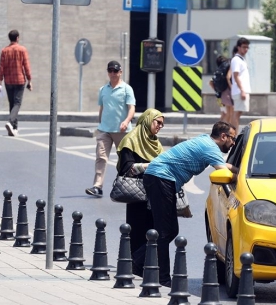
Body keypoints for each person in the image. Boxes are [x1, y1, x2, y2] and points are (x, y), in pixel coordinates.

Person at [142, 121, 239, 287]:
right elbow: (223, 171)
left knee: (169, 230)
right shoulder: (209, 147)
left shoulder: (206, 143)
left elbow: (227, 166)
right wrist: (240, 178)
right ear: (223, 136)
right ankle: (162, 278)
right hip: (161, 178)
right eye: (232, 138)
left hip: (160, 178)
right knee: (165, 231)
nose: (234, 143)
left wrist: (241, 169)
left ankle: (137, 263)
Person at [115, 109, 164, 276]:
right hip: (136, 194)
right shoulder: (130, 140)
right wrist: (148, 166)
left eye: (162, 124)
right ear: (148, 120)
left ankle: (145, 265)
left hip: (154, 194)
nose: (160, 126)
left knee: (153, 230)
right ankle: (133, 265)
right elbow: (126, 168)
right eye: (158, 122)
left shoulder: (155, 143)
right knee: (136, 230)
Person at [85, 61, 136, 197]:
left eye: (115, 71)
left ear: (120, 72)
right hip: (105, 130)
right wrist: (100, 122)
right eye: (110, 71)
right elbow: (102, 107)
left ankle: (126, 186)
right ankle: (97, 187)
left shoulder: (126, 89)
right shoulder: (103, 89)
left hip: (122, 131)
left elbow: (132, 108)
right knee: (101, 157)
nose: (113, 73)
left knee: (125, 159)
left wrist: (126, 121)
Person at [0, 30, 32, 137]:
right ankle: (11, 122)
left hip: (8, 81)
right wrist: (30, 80)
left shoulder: (4, 51)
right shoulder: (22, 50)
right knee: (17, 103)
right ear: (17, 38)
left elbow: (1, 67)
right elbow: (26, 66)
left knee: (12, 104)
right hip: (20, 80)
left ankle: (14, 128)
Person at [231, 38, 251, 131]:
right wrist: (242, 90)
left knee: (238, 113)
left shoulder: (242, 59)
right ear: (238, 47)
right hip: (240, 91)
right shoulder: (236, 59)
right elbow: (236, 75)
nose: (246, 49)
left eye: (247, 47)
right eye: (244, 47)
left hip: (242, 90)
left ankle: (233, 134)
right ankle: (233, 135)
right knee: (237, 113)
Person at [209, 54, 233, 123]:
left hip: (218, 96)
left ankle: (219, 127)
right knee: (228, 113)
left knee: (223, 113)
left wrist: (216, 89)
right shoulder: (225, 70)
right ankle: (222, 128)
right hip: (225, 95)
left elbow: (210, 82)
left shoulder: (218, 71)